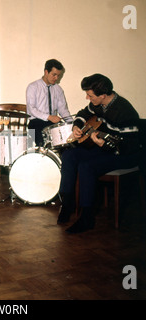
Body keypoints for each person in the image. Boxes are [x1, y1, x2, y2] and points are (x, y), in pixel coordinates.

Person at [57, 74, 140, 233]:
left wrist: (106, 145)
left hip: (124, 154)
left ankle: (87, 217)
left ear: (103, 95)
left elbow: (132, 146)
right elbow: (83, 114)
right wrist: (76, 126)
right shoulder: (98, 104)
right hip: (105, 148)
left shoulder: (125, 111)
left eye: (90, 95)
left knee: (87, 167)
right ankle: (67, 204)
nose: (87, 98)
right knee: (69, 155)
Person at [26, 59, 72, 146]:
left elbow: (63, 110)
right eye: (54, 75)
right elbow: (31, 109)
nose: (56, 78)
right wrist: (49, 117)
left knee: (68, 143)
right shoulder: (33, 87)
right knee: (43, 147)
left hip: (52, 123)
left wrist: (72, 124)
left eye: (58, 75)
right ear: (46, 72)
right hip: (35, 123)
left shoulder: (58, 89)